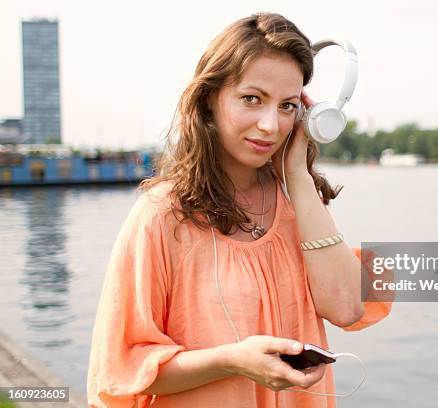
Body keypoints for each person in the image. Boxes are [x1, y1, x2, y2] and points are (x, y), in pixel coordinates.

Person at [87, 12, 391, 408]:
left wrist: (297, 175)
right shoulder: (161, 215)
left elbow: (347, 307)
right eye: (252, 99)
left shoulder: (298, 206)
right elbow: (121, 369)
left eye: (286, 106)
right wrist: (232, 360)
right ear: (210, 100)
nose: (270, 124)